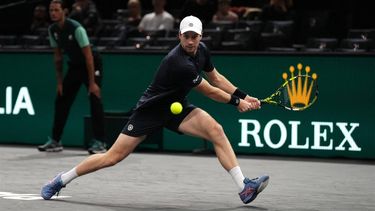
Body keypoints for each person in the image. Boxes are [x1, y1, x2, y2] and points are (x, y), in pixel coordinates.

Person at [40, 15, 269, 204]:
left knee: (216, 130)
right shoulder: (178, 62)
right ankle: (61, 180)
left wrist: (245, 96)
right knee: (112, 157)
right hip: (150, 111)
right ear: (179, 36)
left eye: (194, 37)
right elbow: (209, 90)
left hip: (176, 108)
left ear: (201, 37)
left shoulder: (203, 51)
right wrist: (237, 103)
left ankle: (244, 188)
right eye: (186, 36)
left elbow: (217, 78)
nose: (190, 41)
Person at [37, 0, 107, 154]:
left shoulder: (76, 28)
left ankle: (100, 142)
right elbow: (58, 58)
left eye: (56, 10)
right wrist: (60, 82)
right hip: (75, 66)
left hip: (92, 63)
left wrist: (92, 83)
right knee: (61, 99)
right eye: (51, 10)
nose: (53, 13)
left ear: (64, 11)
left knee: (95, 99)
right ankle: (55, 141)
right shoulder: (52, 30)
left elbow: (88, 57)